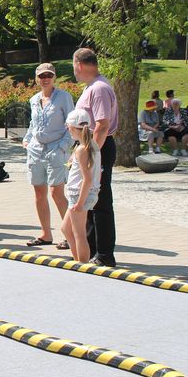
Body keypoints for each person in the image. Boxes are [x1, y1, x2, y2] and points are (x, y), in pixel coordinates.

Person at [73, 47, 118, 266]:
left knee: (100, 201)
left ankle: (104, 255)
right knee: (91, 201)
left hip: (99, 146)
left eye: (74, 66)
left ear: (79, 65)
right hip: (90, 147)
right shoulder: (92, 86)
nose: (74, 70)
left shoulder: (99, 88)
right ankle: (91, 251)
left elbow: (101, 125)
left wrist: (92, 155)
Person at [22, 63, 74, 247]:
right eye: (42, 76)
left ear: (54, 77)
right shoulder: (34, 99)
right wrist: (27, 140)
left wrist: (62, 147)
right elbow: (33, 123)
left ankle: (71, 234)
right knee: (39, 191)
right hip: (36, 150)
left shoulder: (64, 97)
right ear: (37, 78)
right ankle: (46, 234)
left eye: (49, 75)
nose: (45, 79)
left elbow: (72, 123)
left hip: (55, 149)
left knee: (56, 192)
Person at [60, 108, 101, 263]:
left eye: (68, 128)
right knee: (66, 229)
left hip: (80, 195)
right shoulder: (91, 145)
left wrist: (80, 202)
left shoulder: (82, 149)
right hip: (79, 194)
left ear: (71, 127)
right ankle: (77, 260)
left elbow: (87, 179)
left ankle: (82, 264)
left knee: (79, 233)